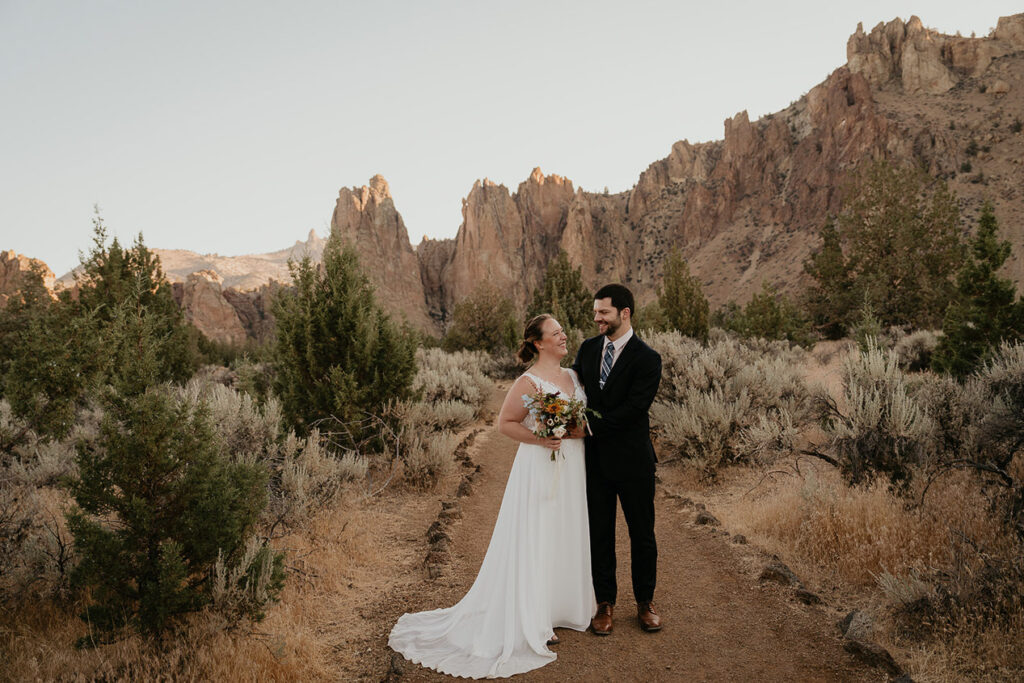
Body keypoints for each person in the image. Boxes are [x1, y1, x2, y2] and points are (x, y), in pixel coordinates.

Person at [388, 314, 596, 678]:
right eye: (556, 333)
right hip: (540, 465)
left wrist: (577, 430)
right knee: (538, 534)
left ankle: (562, 608)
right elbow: (505, 424)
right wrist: (542, 438)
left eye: (563, 331)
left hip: (572, 465)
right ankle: (533, 616)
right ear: (537, 342)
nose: (564, 337)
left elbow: (581, 422)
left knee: (565, 530)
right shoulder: (527, 381)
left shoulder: (574, 377)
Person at [572, 284, 663, 635]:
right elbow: (576, 392)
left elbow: (633, 410)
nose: (597, 318)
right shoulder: (588, 349)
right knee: (600, 533)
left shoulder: (647, 358)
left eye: (603, 313)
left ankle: (645, 602)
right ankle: (604, 603)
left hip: (635, 461)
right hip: (594, 462)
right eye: (596, 312)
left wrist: (586, 428)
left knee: (642, 534)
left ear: (624, 314)